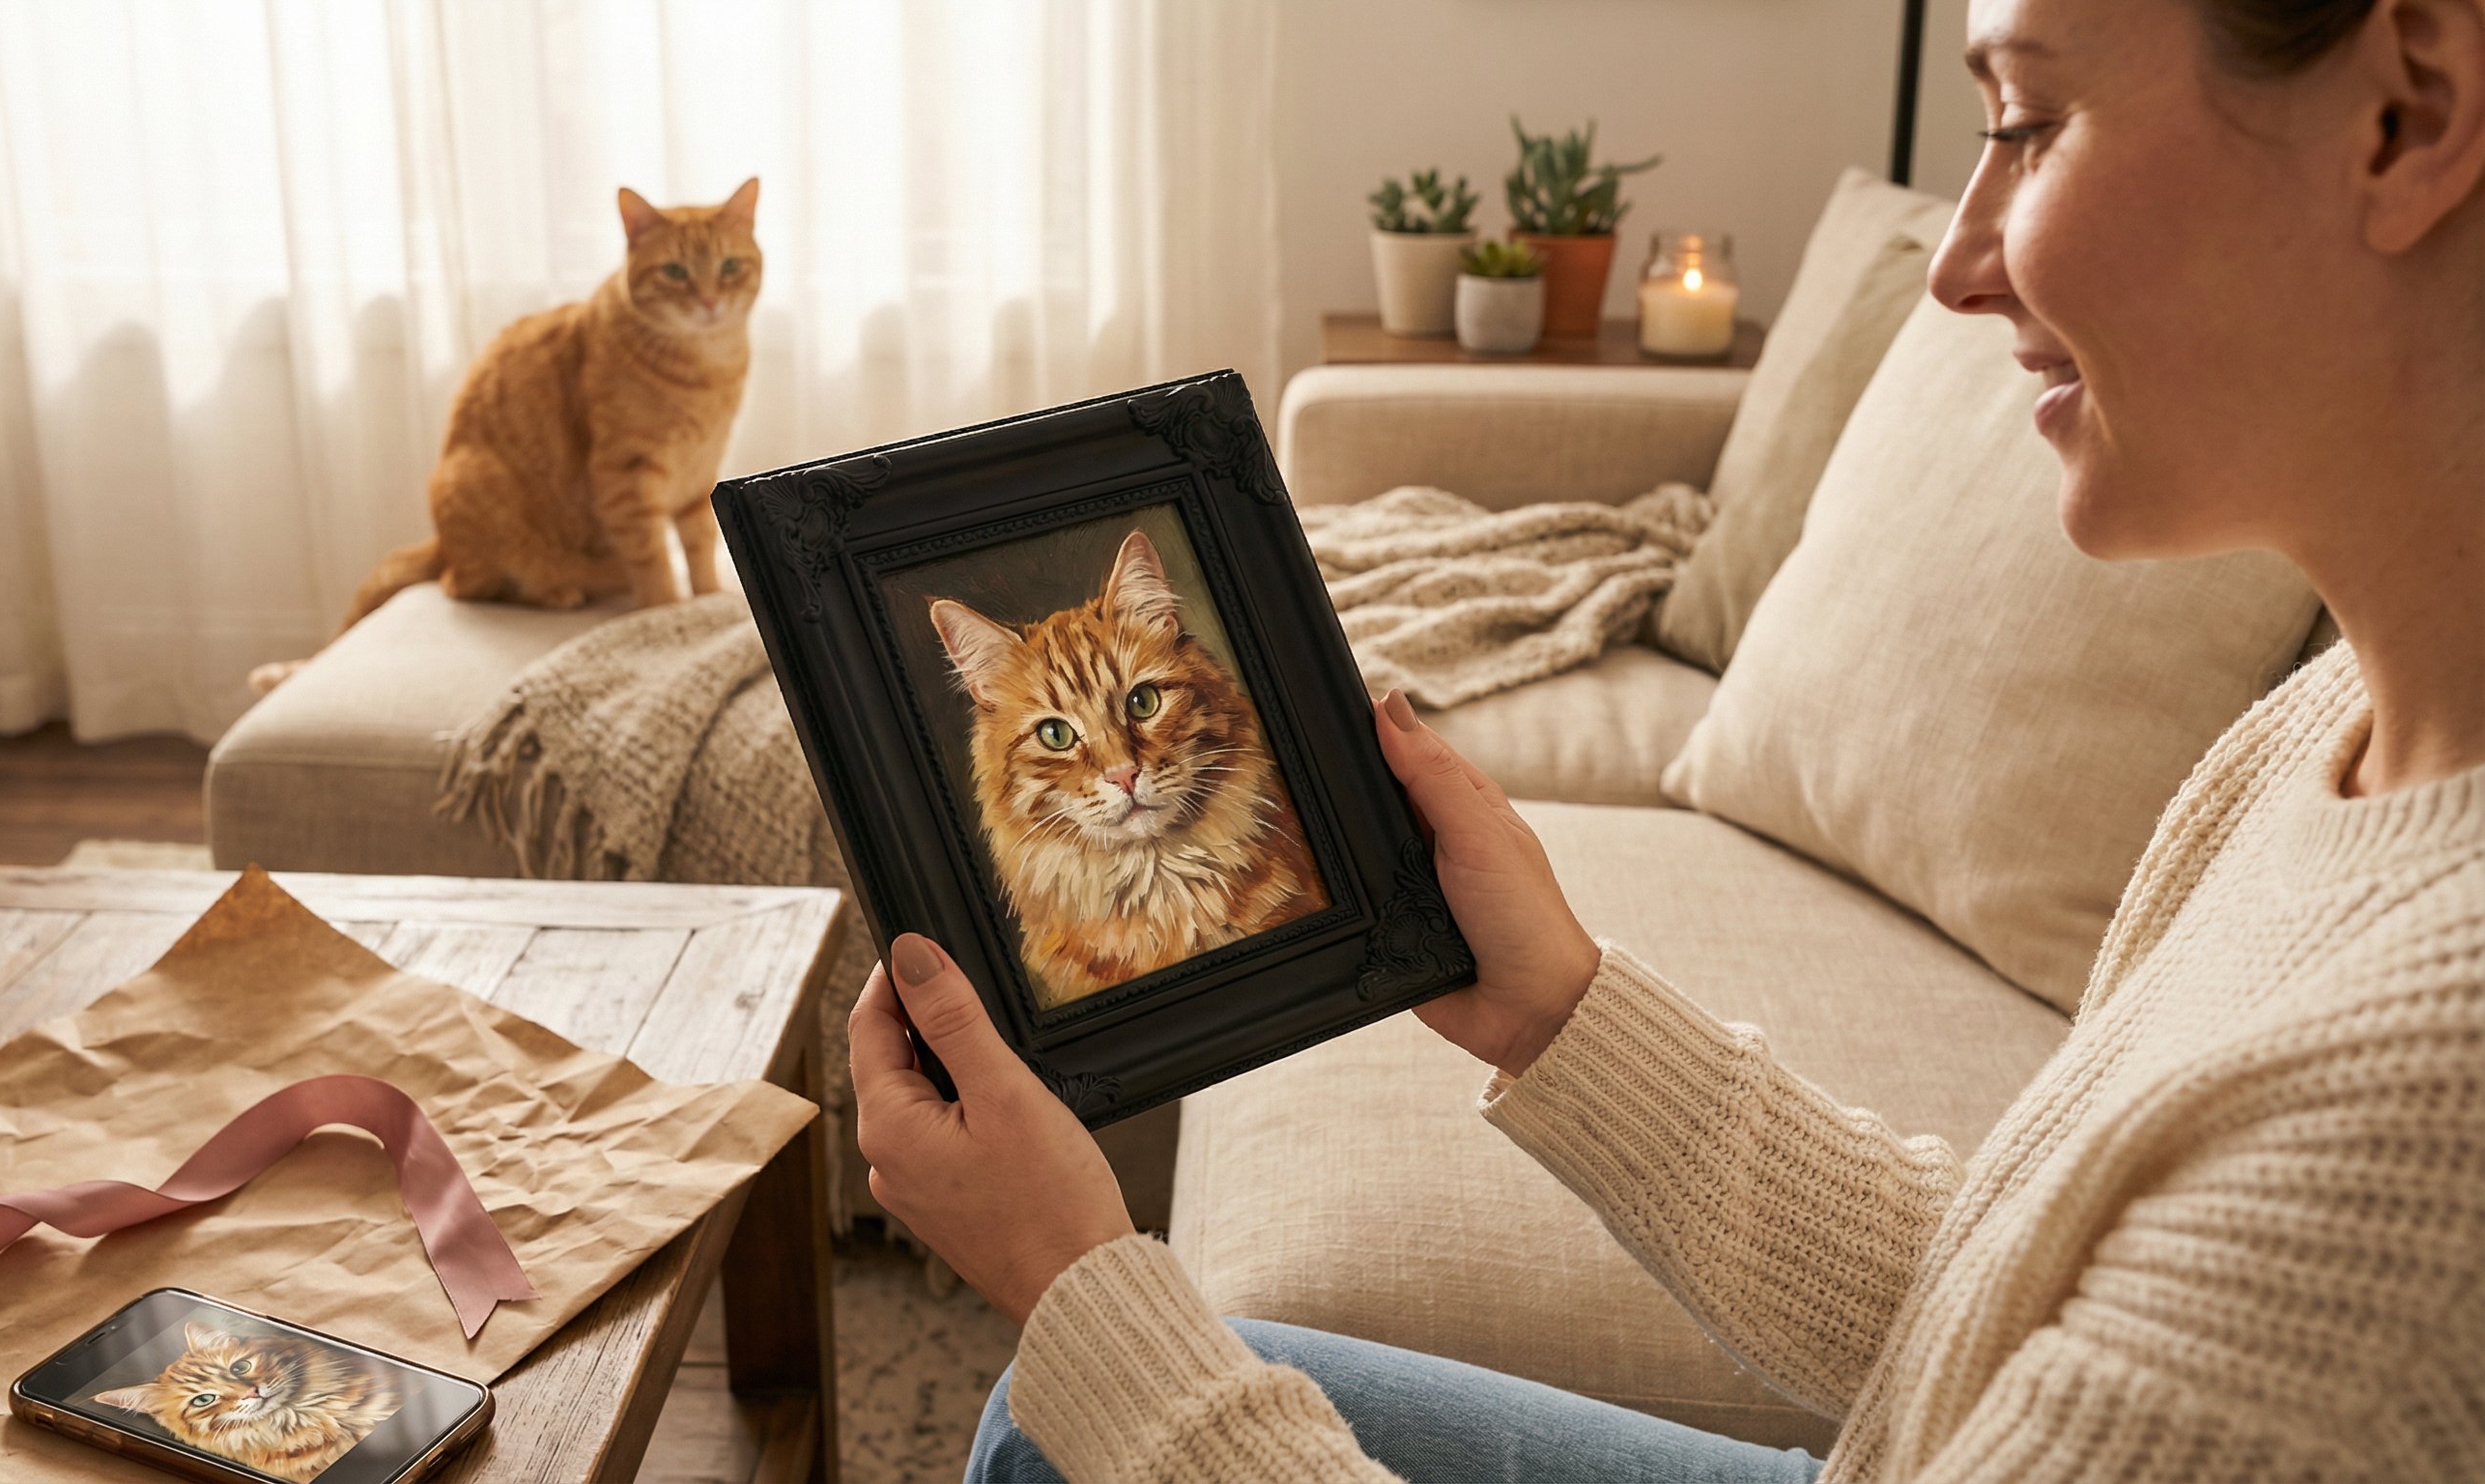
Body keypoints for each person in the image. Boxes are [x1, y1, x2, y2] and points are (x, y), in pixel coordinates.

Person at [846, 0, 2485, 1476]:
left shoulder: (2402, 1146)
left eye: (2029, 124)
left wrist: (1080, 1282)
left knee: (1094, 1393)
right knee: (1053, 1421)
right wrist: (1563, 1009)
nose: (1955, 258)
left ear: (2407, 115)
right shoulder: (2332, 726)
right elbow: (2017, 1301)